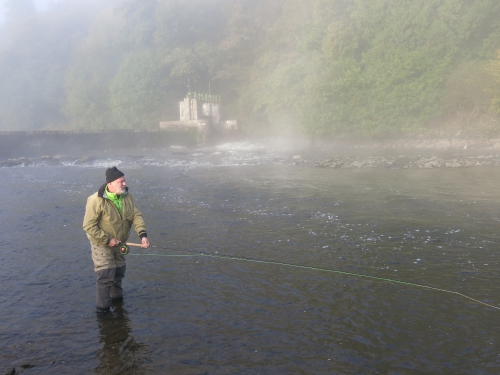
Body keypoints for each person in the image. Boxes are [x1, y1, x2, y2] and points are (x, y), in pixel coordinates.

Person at [83, 166, 150, 315]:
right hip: (101, 243)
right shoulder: (95, 200)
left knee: (119, 272)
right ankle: (103, 311)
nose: (124, 183)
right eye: (121, 181)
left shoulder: (127, 196)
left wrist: (143, 235)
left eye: (124, 180)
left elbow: (136, 216)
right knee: (106, 275)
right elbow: (88, 226)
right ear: (110, 184)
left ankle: (117, 302)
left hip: (120, 242)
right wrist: (107, 240)